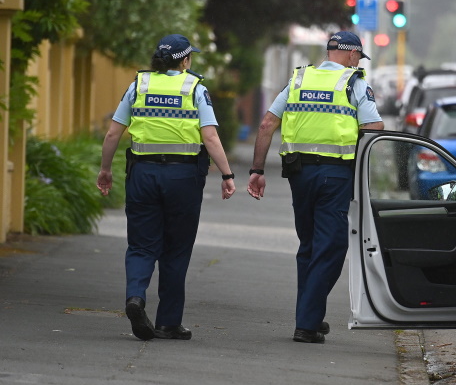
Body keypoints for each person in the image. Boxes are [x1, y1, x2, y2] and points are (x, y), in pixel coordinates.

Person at [97, 34, 236, 342]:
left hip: (142, 174)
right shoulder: (194, 89)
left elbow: (112, 134)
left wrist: (105, 170)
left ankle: (136, 296)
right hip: (182, 177)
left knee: (141, 245)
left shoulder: (138, 86)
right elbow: (210, 138)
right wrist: (227, 174)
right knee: (175, 249)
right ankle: (168, 323)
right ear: (185, 60)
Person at [247, 30, 383, 344]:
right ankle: (306, 323)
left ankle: (311, 314)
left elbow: (268, 123)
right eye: (359, 57)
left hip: (299, 174)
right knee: (332, 246)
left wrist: (256, 169)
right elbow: (373, 128)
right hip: (335, 175)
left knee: (309, 244)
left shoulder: (298, 80)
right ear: (352, 55)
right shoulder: (354, 83)